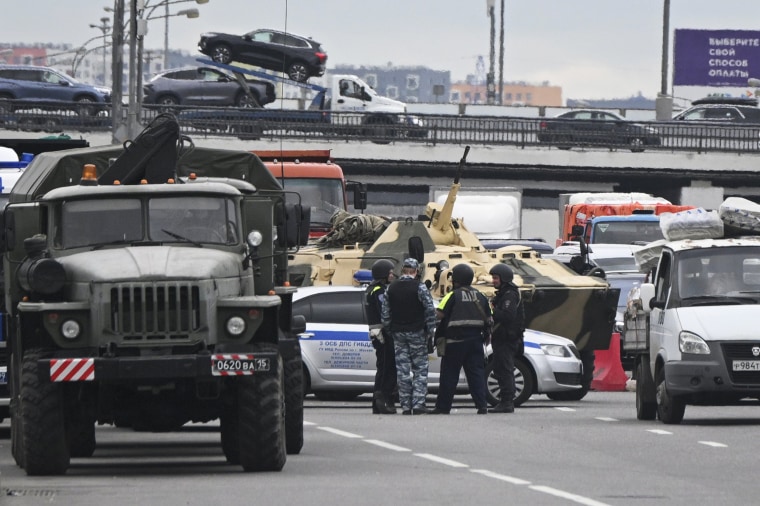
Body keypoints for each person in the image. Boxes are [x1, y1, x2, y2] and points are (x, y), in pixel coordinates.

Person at [430, 264, 490, 415]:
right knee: (476, 375)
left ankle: (443, 407)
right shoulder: (481, 296)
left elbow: (439, 314)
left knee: (449, 375)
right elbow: (489, 317)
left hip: (454, 343)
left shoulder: (453, 295)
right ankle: (482, 406)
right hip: (476, 342)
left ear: (455, 279)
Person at [381, 258, 436, 415]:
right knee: (420, 369)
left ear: (403, 270)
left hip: (398, 334)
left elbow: (385, 315)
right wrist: (430, 330)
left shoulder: (391, 288)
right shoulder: (420, 287)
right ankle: (418, 404)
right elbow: (430, 310)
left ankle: (405, 405)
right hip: (417, 333)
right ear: (416, 271)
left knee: (402, 371)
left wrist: (390, 330)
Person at [488, 263, 525, 414]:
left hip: (507, 339)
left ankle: (507, 402)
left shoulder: (510, 294)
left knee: (505, 369)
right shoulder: (504, 293)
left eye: (496, 278)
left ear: (504, 279)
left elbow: (508, 316)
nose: (493, 281)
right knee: (500, 368)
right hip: (502, 338)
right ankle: (505, 400)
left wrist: (492, 310)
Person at [365, 259, 398, 414]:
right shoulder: (379, 291)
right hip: (383, 335)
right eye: (390, 272)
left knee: (383, 368)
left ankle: (378, 402)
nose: (393, 275)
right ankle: (383, 401)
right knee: (387, 369)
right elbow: (384, 313)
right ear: (383, 274)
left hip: (378, 334)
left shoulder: (373, 289)